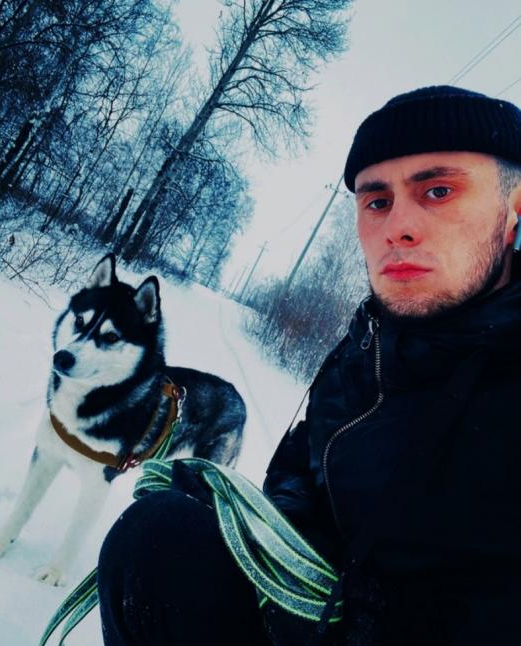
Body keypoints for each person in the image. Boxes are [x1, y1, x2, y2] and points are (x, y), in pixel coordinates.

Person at [96, 85, 521, 645]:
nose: (397, 227)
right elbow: (305, 466)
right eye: (376, 201)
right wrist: (271, 532)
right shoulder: (365, 347)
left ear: (514, 208)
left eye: (438, 190)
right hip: (309, 621)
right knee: (155, 535)